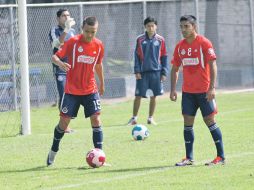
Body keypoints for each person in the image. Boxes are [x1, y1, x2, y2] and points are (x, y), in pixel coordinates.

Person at [47, 16, 105, 166]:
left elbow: (98, 65)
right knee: (63, 124)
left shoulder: (99, 45)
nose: (90, 35)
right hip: (72, 91)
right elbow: (54, 56)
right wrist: (60, 63)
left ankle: (100, 156)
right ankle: (53, 151)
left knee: (96, 119)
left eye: (93, 32)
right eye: (87, 31)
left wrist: (102, 84)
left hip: (90, 89)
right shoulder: (73, 42)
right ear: (82, 29)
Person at [170, 15, 225, 166]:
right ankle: (189, 158)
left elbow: (213, 65)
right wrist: (173, 89)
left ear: (194, 26)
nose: (183, 30)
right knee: (187, 122)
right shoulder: (180, 46)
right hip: (188, 92)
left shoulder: (204, 43)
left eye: (186, 26)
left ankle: (221, 157)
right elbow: (175, 68)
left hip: (204, 91)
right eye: (181, 27)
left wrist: (211, 88)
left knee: (210, 121)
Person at [127, 16, 169, 126]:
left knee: (154, 96)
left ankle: (150, 118)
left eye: (152, 26)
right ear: (145, 27)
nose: (150, 28)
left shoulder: (160, 40)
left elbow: (164, 56)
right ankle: (134, 118)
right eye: (148, 26)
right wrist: (137, 71)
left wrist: (164, 72)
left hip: (156, 72)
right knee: (138, 96)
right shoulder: (140, 40)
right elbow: (136, 56)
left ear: (156, 26)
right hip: (143, 73)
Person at [49, 8, 76, 133]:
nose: (67, 17)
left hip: (73, 68)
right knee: (64, 95)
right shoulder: (54, 30)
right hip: (60, 68)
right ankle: (64, 126)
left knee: (72, 96)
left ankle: (66, 123)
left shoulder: (74, 31)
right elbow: (57, 43)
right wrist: (66, 29)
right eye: (64, 15)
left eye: (68, 15)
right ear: (58, 18)